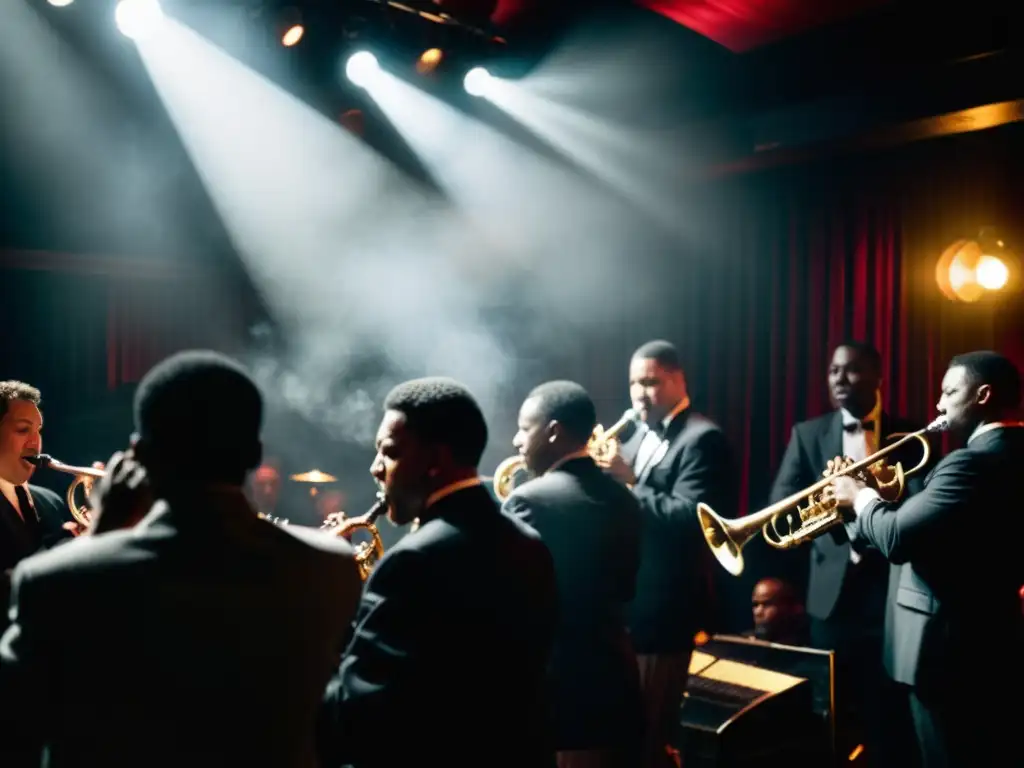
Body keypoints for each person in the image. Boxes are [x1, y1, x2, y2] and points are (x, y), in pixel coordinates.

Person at [0, 350, 362, 768]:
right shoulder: (332, 568)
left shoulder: (55, 581)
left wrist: (99, 538)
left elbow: (15, 722)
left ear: (138, 454)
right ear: (254, 454)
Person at [319, 376, 558, 768]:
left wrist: (328, 594)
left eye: (390, 452)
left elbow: (357, 713)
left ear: (436, 460)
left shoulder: (411, 561)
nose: (375, 468)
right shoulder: (530, 543)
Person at [831, 350, 1024, 768]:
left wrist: (858, 496)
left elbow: (898, 537)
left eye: (949, 392)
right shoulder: (1012, 454)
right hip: (989, 644)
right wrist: (875, 503)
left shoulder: (971, 462)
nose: (938, 405)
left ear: (983, 395)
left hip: (946, 654)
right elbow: (930, 531)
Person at [767, 341, 925, 766]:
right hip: (830, 596)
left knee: (887, 715)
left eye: (851, 370)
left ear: (878, 378)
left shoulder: (909, 435)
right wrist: (833, 504)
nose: (839, 379)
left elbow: (922, 508)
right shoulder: (808, 433)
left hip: (890, 591)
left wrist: (870, 501)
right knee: (828, 715)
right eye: (834, 370)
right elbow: (781, 502)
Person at [596, 340, 735, 768]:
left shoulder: (703, 437)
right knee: (624, 734)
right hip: (630, 608)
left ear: (678, 380)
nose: (639, 393)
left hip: (665, 613)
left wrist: (629, 481)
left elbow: (690, 519)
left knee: (650, 738)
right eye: (634, 383)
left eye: (650, 382)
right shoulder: (639, 433)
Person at [503, 380, 643, 768]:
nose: (517, 440)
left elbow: (512, 601)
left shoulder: (528, 500)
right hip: (617, 680)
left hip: (558, 689)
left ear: (552, 431)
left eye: (524, 428)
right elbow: (628, 588)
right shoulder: (626, 497)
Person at [0, 381, 79, 616]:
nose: (36, 444)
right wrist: (59, 548)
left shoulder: (52, 501)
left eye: (39, 430)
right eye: (23, 430)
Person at [747, 577, 808, 646]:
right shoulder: (745, 641)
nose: (758, 612)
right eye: (755, 605)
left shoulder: (810, 644)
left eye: (767, 604)